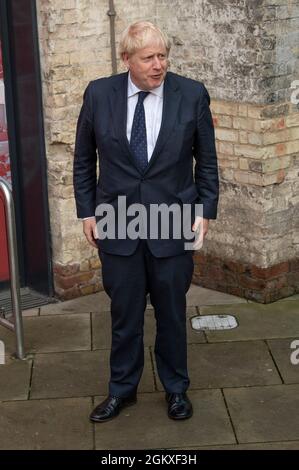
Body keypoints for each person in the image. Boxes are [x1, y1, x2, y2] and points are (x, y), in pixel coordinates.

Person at [73, 21, 219, 423]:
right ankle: (122, 390)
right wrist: (87, 210)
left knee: (172, 312)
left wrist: (205, 210)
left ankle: (176, 389)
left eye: (163, 56)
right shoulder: (100, 94)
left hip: (172, 219)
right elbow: (84, 158)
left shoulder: (190, 94)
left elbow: (206, 158)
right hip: (118, 220)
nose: (159, 65)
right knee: (125, 314)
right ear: (127, 60)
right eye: (149, 58)